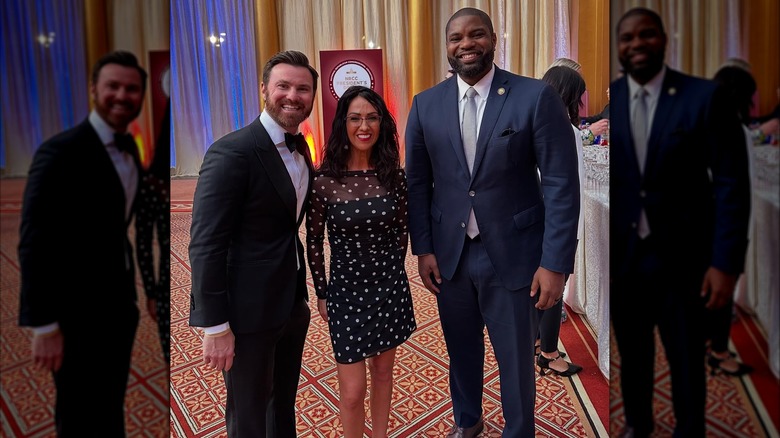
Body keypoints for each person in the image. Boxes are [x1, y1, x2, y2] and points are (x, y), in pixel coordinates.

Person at [405, 7, 580, 437]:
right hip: (451, 258)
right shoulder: (425, 104)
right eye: (456, 38)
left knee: (516, 360)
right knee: (461, 352)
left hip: (516, 256)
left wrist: (555, 264)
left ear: (493, 39)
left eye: (476, 34)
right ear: (447, 47)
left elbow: (561, 184)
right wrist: (423, 248)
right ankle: (467, 422)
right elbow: (417, 183)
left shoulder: (534, 96)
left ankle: (518, 431)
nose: (466, 44)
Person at [610, 8, 750, 438]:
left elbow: (732, 185)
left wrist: (725, 265)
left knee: (686, 358)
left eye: (646, 35)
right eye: (627, 37)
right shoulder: (612, 99)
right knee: (633, 357)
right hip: (626, 263)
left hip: (685, 262)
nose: (637, 44)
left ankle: (690, 429)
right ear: (618, 47)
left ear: (664, 39)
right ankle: (638, 424)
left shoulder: (703, 97)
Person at [188, 50, 317, 437]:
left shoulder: (301, 148)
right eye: (284, 86)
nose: (293, 96)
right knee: (248, 414)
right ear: (264, 90)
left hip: (291, 304)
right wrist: (214, 326)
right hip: (245, 314)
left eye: (303, 89)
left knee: (282, 405)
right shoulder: (233, 152)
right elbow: (206, 243)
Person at [18, 50, 147, 436]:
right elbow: (33, 242)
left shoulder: (130, 150)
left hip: (118, 308)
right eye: (113, 86)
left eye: (132, 89)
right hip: (73, 314)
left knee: (108, 404)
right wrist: (44, 326)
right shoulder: (59, 152)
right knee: (76, 412)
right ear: (94, 90)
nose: (122, 95)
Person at [306, 85, 416, 438]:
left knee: (383, 375)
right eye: (355, 118)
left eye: (371, 117)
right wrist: (322, 292)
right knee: (353, 392)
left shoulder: (394, 177)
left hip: (388, 289)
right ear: (343, 124)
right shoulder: (324, 181)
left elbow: (402, 231)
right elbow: (314, 241)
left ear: (382, 123)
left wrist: (393, 275)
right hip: (346, 294)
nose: (364, 126)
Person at [706, 65, 758, 377]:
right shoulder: (732, 129)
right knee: (723, 285)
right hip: (722, 223)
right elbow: (738, 188)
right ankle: (720, 351)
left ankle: (710, 340)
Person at [536, 65, 586, 377]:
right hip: (560, 221)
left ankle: (537, 341)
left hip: (537, 219)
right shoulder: (568, 131)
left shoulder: (535, 123)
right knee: (554, 289)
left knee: (536, 287)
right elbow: (572, 185)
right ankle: (550, 353)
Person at [136, 97, 171, 362]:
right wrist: (150, 291)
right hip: (164, 285)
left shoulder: (151, 183)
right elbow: (142, 242)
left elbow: (143, 242)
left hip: (162, 285)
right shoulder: (152, 184)